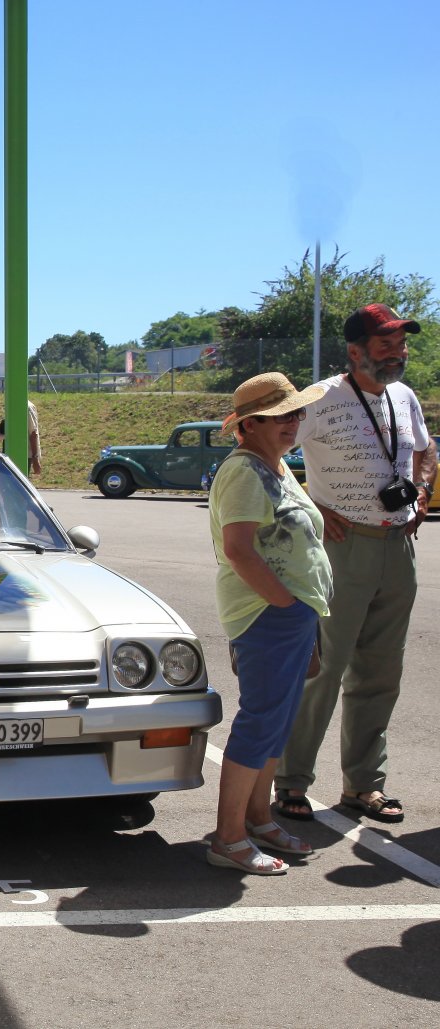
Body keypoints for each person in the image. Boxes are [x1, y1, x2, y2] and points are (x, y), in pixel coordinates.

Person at [274, 303, 437, 825]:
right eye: (386, 344)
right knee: (322, 669)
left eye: (401, 344)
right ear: (355, 351)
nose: (398, 353)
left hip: (398, 547)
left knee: (381, 673)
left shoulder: (404, 396)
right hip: (341, 548)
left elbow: (426, 451)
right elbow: (266, 450)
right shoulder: (320, 398)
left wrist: (423, 489)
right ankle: (291, 782)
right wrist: (311, 505)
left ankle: (365, 785)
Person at [206, 373, 331, 873]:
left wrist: (298, 608)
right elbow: (238, 549)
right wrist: (283, 604)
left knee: (277, 721)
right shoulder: (244, 471)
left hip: (289, 613)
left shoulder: (274, 465)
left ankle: (258, 819)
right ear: (249, 425)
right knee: (261, 722)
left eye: (296, 412)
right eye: (280, 415)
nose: (292, 422)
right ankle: (229, 838)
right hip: (267, 613)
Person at [0, 399, 42, 476]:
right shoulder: (12, 405)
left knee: (20, 480)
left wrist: (35, 458)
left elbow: (33, 434)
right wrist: (10, 436)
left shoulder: (27, 407)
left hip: (24, 454)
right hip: (9, 454)